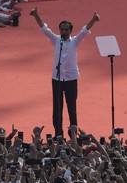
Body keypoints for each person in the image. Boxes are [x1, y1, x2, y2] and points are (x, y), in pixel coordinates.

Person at [29, 7, 100, 137]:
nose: (64, 31)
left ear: (71, 30)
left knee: (71, 107)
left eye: (66, 29)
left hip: (71, 78)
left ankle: (73, 133)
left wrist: (93, 20)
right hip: (57, 78)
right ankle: (58, 134)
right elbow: (45, 29)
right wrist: (36, 15)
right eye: (62, 29)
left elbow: (84, 31)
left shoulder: (75, 41)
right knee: (57, 107)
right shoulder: (56, 40)